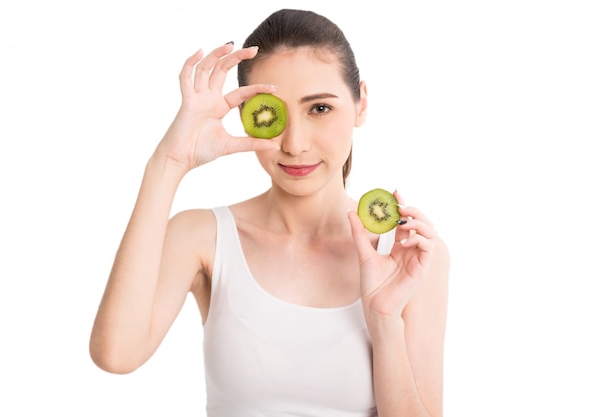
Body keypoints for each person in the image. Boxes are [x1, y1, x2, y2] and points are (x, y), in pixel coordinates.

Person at [89, 8, 450, 417]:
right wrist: (168, 163)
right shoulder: (203, 237)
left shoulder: (407, 254)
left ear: (360, 103)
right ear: (245, 115)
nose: (294, 144)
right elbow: (116, 354)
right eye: (271, 112)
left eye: (319, 109)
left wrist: (385, 321)